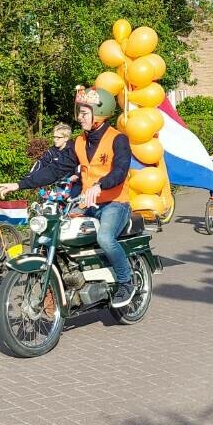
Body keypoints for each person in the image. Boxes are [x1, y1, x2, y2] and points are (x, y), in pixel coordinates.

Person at [68, 88, 137, 305]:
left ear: (99, 113)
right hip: (88, 202)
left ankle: (126, 282)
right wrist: (20, 183)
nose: (80, 117)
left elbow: (120, 171)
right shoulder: (79, 141)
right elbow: (55, 167)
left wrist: (100, 185)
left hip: (115, 203)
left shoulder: (118, 139)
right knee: (59, 231)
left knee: (105, 238)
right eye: (79, 112)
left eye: (84, 113)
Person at [0, 123, 80, 207]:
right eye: (54, 137)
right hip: (59, 188)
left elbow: (54, 171)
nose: (55, 140)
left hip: (75, 189)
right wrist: (25, 181)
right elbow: (40, 164)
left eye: (58, 137)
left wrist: (77, 174)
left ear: (66, 138)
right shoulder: (52, 151)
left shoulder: (72, 151)